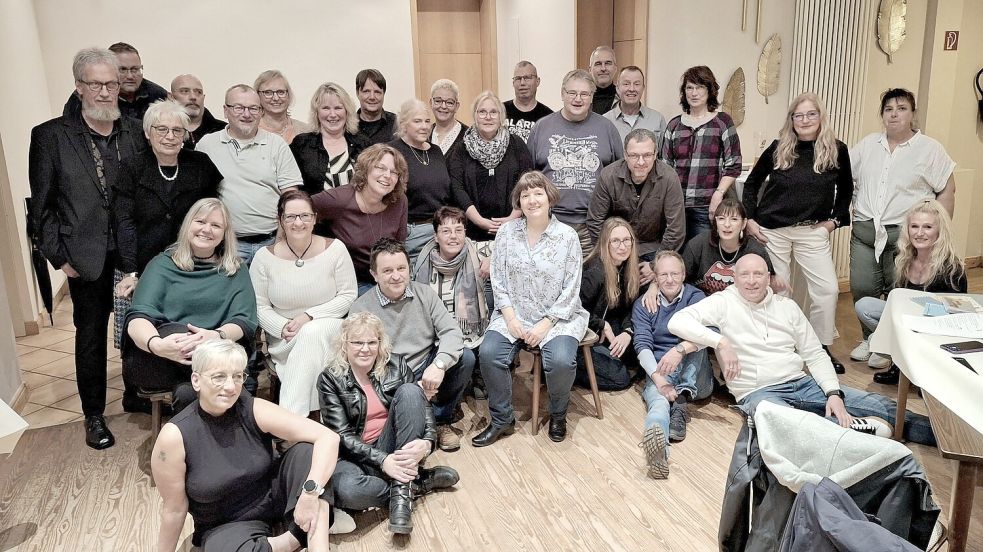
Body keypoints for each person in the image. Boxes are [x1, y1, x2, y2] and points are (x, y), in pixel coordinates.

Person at [667, 254, 937, 446]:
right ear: (734, 279)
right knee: (781, 425)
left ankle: (963, 446)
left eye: (758, 274)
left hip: (800, 383)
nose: (751, 281)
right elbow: (677, 322)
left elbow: (815, 354)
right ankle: (856, 433)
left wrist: (833, 393)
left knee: (884, 406)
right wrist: (721, 343)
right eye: (744, 275)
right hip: (758, 393)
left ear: (769, 278)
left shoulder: (788, 308)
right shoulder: (722, 303)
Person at [29, 47, 148, 450]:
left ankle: (137, 392)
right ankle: (94, 415)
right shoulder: (50, 136)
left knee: (138, 327)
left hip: (133, 252)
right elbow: (41, 207)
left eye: (111, 83)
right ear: (79, 87)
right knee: (91, 337)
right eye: (95, 84)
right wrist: (60, 259)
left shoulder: (135, 130)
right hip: (85, 257)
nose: (104, 92)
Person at [153, 339, 339, 552]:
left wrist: (309, 495)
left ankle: (317, 546)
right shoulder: (174, 437)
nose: (231, 387)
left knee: (310, 453)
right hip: (228, 525)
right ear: (196, 380)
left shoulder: (253, 408)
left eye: (237, 376)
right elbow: (174, 510)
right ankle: (292, 539)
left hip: (275, 497)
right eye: (219, 377)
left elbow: (328, 438)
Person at [113, 100, 223, 412]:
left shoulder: (200, 165)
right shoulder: (132, 167)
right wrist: (132, 270)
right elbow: (124, 222)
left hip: (191, 260)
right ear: (148, 132)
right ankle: (139, 391)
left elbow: (212, 213)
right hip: (144, 260)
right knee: (144, 319)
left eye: (177, 129)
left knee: (185, 319)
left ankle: (186, 384)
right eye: (162, 129)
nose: (170, 135)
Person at [473, 173, 588, 446]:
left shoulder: (567, 237)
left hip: (558, 317)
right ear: (519, 202)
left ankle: (559, 415)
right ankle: (502, 420)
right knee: (489, 353)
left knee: (560, 361)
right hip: (514, 312)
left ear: (549, 198)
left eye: (537, 193)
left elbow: (572, 289)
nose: (532, 200)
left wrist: (545, 324)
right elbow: (498, 279)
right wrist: (510, 317)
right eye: (525, 195)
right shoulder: (507, 233)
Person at [317, 312, 459, 535]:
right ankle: (416, 483)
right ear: (344, 344)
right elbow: (342, 436)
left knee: (413, 391)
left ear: (380, 343)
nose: (365, 349)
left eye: (372, 342)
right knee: (346, 489)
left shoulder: (397, 364)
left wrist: (428, 443)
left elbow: (424, 408)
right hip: (356, 454)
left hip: (394, 443)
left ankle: (401, 495)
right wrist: (383, 461)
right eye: (357, 342)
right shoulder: (330, 378)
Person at [743, 92, 852, 373]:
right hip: (772, 230)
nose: (804, 120)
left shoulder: (836, 149)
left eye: (810, 114)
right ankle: (782, 347)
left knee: (827, 290)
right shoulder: (780, 148)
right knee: (780, 292)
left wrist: (833, 223)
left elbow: (847, 192)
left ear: (820, 117)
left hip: (811, 231)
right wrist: (750, 220)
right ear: (791, 119)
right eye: (798, 115)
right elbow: (752, 184)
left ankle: (820, 348)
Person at [848, 88, 956, 366]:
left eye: (902, 108)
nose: (894, 114)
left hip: (905, 233)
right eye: (888, 109)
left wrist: (937, 230)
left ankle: (890, 345)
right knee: (862, 286)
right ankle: (870, 338)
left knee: (897, 290)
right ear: (882, 115)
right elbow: (846, 177)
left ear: (913, 114)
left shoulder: (929, 149)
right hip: (865, 230)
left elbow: (946, 188)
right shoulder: (868, 145)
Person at [123, 198, 257, 411]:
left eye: (215, 225)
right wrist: (157, 345)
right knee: (178, 332)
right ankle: (250, 421)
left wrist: (214, 337)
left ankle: (196, 440)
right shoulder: (161, 264)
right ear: (188, 225)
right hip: (161, 359)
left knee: (188, 394)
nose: (206, 229)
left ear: (225, 233)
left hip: (217, 359)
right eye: (200, 221)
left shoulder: (235, 269)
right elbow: (138, 317)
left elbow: (245, 321)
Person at [350, 239, 471, 452]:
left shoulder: (425, 293)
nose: (396, 276)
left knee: (465, 358)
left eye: (401, 268)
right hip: (389, 373)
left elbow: (451, 331)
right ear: (374, 274)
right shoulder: (362, 308)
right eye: (387, 270)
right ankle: (416, 428)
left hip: (425, 364)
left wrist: (439, 365)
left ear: (409, 269)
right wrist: (411, 387)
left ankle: (440, 420)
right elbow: (364, 360)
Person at [250, 190, 357, 416]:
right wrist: (282, 327)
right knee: (307, 340)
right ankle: (320, 425)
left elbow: (348, 295)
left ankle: (290, 421)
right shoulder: (263, 257)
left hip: (330, 331)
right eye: (290, 217)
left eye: (305, 216)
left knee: (312, 331)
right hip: (285, 337)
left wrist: (308, 317)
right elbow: (258, 306)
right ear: (280, 220)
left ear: (315, 218)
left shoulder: (335, 249)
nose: (298, 222)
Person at [856, 199, 967, 384]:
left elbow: (956, 316)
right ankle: (898, 363)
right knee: (864, 306)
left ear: (939, 231)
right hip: (907, 322)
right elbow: (897, 300)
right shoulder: (902, 258)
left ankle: (921, 368)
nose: (920, 233)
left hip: (933, 329)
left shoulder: (952, 269)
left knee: (881, 339)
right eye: (914, 226)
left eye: (928, 227)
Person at [196, 84, 302, 265]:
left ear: (261, 112)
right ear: (225, 111)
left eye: (253, 108)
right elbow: (197, 196)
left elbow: (291, 197)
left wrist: (281, 240)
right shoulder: (207, 145)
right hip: (228, 245)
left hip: (272, 243)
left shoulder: (276, 145)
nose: (247, 114)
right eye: (239, 108)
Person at [526, 69, 624, 255]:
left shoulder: (607, 128)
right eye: (572, 93)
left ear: (592, 97)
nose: (578, 99)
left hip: (593, 225)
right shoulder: (542, 127)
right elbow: (528, 177)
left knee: (589, 280)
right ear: (563, 94)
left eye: (584, 94)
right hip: (549, 222)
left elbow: (620, 177)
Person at [633, 250, 712, 478]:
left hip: (695, 375)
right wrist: (658, 380)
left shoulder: (695, 298)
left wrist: (679, 350)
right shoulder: (644, 304)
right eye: (664, 275)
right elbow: (642, 344)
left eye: (674, 274)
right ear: (655, 278)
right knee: (658, 404)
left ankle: (682, 397)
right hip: (661, 370)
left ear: (684, 274)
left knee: (697, 340)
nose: (669, 280)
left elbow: (712, 333)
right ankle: (658, 452)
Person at [587, 128, 685, 286]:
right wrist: (612, 255)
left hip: (653, 249)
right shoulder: (608, 175)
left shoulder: (669, 177)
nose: (640, 162)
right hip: (616, 247)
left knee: (656, 290)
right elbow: (594, 221)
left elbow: (676, 229)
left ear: (655, 155)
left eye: (647, 155)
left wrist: (655, 264)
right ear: (625, 155)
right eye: (634, 155)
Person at [311, 143, 409, 295]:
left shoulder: (399, 200)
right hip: (354, 284)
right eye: (380, 168)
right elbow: (297, 208)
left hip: (388, 279)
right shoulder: (339, 199)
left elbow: (399, 246)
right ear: (366, 169)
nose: (387, 176)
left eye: (394, 172)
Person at [413, 207, 491, 393]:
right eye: (446, 231)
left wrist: (492, 258)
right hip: (431, 335)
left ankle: (448, 403)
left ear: (465, 233)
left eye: (458, 230)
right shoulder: (421, 262)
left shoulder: (477, 251)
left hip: (467, 336)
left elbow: (509, 245)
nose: (453, 236)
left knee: (467, 358)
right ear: (435, 236)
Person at [660, 66, 742, 240]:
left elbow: (734, 165)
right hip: (676, 207)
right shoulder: (674, 125)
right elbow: (665, 168)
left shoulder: (722, 122)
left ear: (709, 90)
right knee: (675, 258)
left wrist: (718, 195)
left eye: (700, 87)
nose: (694, 93)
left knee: (701, 256)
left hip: (708, 206)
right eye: (689, 88)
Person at [448, 90, 532, 249]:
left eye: (494, 112)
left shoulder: (516, 144)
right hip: (473, 232)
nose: (488, 117)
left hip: (514, 230)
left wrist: (512, 217)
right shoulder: (462, 148)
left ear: (501, 116)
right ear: (475, 115)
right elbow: (456, 187)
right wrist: (479, 221)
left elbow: (528, 183)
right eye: (482, 112)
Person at [577, 218, 641, 391]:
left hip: (609, 329)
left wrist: (628, 331)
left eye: (627, 240)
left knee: (639, 356)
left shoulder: (627, 267)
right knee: (620, 379)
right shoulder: (595, 272)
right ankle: (567, 371)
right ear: (606, 243)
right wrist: (601, 324)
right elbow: (575, 310)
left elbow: (629, 308)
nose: (623, 246)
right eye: (616, 241)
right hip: (584, 336)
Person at [674, 198, 779, 298]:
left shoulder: (756, 251)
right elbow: (679, 277)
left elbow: (767, 287)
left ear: (743, 223)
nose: (727, 224)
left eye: (734, 219)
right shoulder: (698, 244)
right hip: (702, 304)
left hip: (740, 306)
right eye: (721, 219)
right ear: (715, 222)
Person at [389, 99, 451, 264]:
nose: (424, 126)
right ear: (404, 124)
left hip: (440, 229)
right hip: (411, 233)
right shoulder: (392, 151)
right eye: (417, 121)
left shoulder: (436, 151)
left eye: (427, 121)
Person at [292, 82, 370, 197]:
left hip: (356, 214)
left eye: (338, 108)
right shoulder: (301, 145)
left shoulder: (363, 144)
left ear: (347, 111)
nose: (332, 114)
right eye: (326, 108)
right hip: (315, 213)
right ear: (316, 113)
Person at [62, 42, 167, 120]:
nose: (130, 76)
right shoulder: (82, 97)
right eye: (123, 70)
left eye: (135, 69)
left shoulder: (157, 94)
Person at [603, 66, 666, 145]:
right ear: (617, 88)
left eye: (637, 84)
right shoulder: (605, 121)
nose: (632, 89)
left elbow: (663, 155)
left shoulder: (657, 119)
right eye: (626, 84)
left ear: (643, 88)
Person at [169, 74, 226, 148]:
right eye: (185, 91)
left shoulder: (223, 132)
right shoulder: (160, 132)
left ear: (203, 97)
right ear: (171, 97)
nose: (193, 97)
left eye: (198, 92)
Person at [254, 69, 311, 144]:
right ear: (257, 96)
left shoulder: (306, 131)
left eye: (281, 92)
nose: (276, 98)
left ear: (288, 95)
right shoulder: (251, 131)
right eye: (268, 93)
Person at [503, 61, 553, 142]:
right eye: (518, 78)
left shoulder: (548, 117)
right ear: (513, 83)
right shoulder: (500, 111)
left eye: (527, 78)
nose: (522, 83)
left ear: (537, 81)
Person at [354, 69, 398, 145]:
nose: (372, 97)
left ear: (383, 94)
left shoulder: (397, 124)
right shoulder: (348, 125)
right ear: (358, 93)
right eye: (366, 91)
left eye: (377, 92)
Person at [429, 79, 469, 155]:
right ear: (431, 103)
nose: (443, 106)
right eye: (438, 101)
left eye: (449, 102)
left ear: (457, 106)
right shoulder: (424, 135)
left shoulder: (468, 137)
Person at [588, 46, 618, 114]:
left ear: (615, 68)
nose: (603, 68)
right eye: (598, 64)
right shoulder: (581, 98)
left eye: (608, 63)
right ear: (590, 69)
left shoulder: (624, 99)